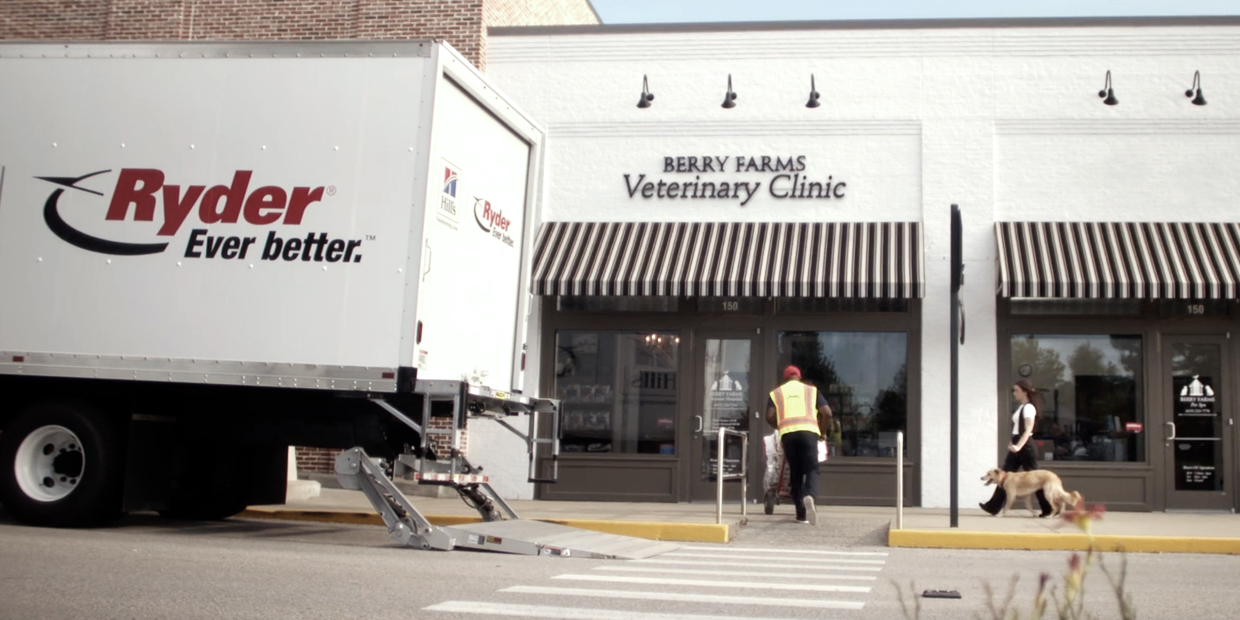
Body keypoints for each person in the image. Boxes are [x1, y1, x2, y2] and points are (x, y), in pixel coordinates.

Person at [766, 365, 833, 525]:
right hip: (809, 433)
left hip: (788, 435)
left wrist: (781, 427)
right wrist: (821, 431)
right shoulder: (811, 390)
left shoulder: (776, 393)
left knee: (795, 473)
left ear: (785, 378)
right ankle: (810, 494)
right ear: (799, 376)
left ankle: (801, 515)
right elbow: (827, 413)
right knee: (812, 468)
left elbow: (769, 416)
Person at [980, 379, 1053, 517]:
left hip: (1025, 447)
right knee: (1003, 475)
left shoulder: (1029, 408)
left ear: (1025, 392)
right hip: (1017, 443)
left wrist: (1019, 445)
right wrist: (1012, 441)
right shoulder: (1022, 407)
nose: (1014, 393)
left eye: (1017, 390)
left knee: (1034, 477)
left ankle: (1048, 509)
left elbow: (1028, 429)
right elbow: (1017, 428)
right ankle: (993, 506)